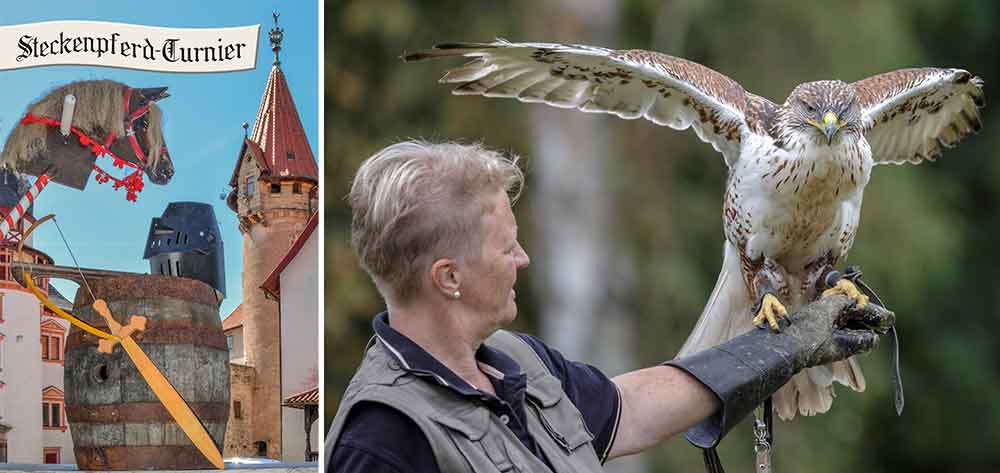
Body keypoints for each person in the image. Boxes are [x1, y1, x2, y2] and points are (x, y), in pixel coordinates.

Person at [326, 140, 893, 472]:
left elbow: (628, 408)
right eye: (507, 247)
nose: (523, 258)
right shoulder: (380, 438)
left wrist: (782, 347)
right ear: (447, 278)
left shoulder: (513, 360)